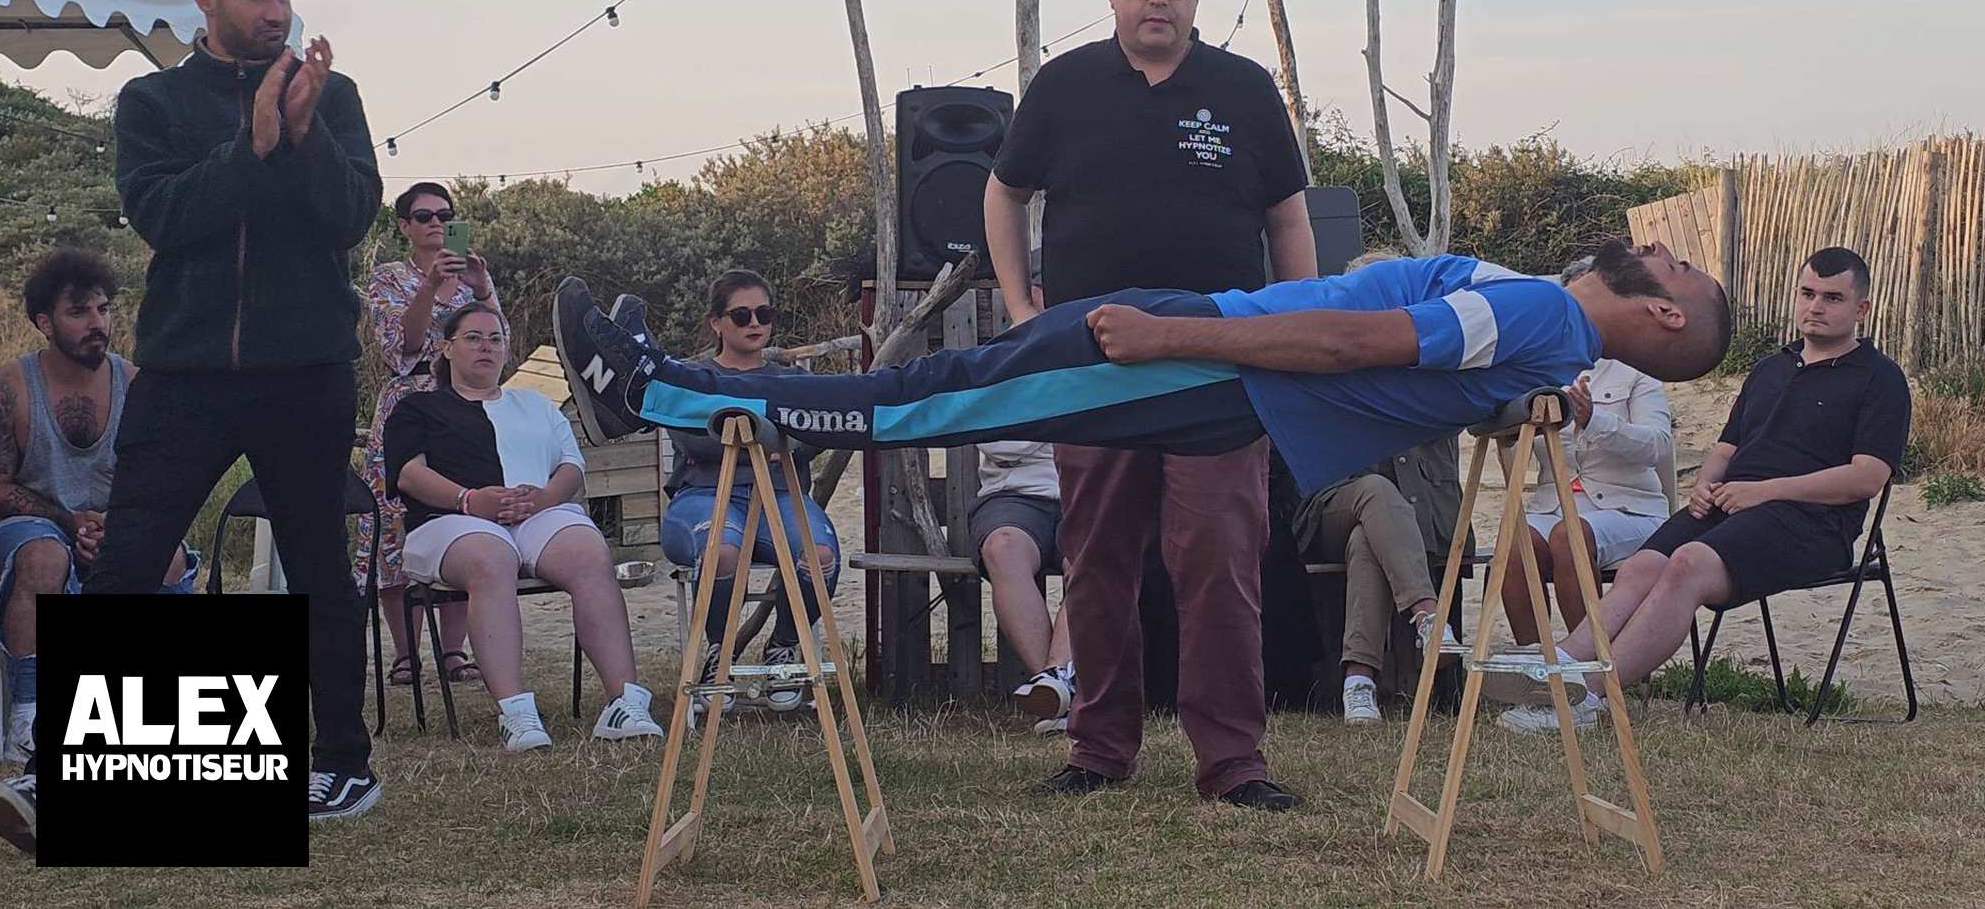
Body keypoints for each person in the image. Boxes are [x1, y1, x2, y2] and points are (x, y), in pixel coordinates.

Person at [555, 240, 1731, 735]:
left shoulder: (1540, 315)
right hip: (1213, 354)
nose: (1648, 248)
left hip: (1206, 370)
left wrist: (1176, 339)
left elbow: (1355, 343)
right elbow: (1438, 349)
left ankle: (651, 389)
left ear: (1664, 308)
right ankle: (669, 377)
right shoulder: (1545, 322)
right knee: (953, 379)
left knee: (941, 397)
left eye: (1671, 263)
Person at [980, 0, 1317, 810]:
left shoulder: (1246, 90)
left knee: (1219, 562)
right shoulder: (1063, 86)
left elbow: (1289, 219)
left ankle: (1234, 763)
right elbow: (1002, 192)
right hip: (1093, 367)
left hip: (1216, 368)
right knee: (1095, 558)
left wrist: (1288, 329)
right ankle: (1098, 747)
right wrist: (1021, 311)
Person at [89, 0, 383, 821]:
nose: (277, 12)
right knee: (130, 557)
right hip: (186, 373)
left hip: (307, 372)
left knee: (317, 567)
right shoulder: (152, 103)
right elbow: (165, 217)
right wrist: (250, 146)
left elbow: (349, 219)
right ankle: (104, 762)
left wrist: (301, 138)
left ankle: (342, 763)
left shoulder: (333, 97)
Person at [1486, 247, 1905, 732]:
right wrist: (1705, 485)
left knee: (1687, 564)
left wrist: (1765, 491)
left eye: (1833, 298)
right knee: (1644, 563)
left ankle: (1589, 700)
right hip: (1733, 507)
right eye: (1807, 293)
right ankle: (1559, 673)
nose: (1816, 306)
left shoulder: (1880, 378)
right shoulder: (1772, 368)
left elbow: (1868, 476)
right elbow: (1727, 449)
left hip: (1813, 523)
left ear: (1861, 308)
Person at [386, 304, 665, 752]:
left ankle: (624, 702)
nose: (486, 347)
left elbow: (571, 465)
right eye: (473, 338)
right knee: (490, 558)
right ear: (447, 347)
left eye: (495, 339)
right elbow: (408, 474)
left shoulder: (535, 405)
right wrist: (469, 499)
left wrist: (545, 499)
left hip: (538, 515)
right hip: (450, 520)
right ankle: (516, 712)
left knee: (590, 552)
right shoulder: (418, 409)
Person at [0, 251, 197, 763]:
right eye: (79, 313)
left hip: (119, 518)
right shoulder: (8, 388)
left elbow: (161, 476)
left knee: (165, 555)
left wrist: (119, 524)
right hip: (33, 523)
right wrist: (68, 520)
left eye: (103, 310)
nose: (97, 324)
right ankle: (30, 716)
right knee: (43, 556)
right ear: (45, 322)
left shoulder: (134, 383)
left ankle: (157, 708)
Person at [654, 271, 842, 712]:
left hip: (780, 495)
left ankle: (784, 649)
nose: (755, 323)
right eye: (741, 315)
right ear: (716, 322)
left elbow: (822, 430)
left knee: (820, 555)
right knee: (722, 551)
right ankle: (720, 653)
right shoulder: (691, 376)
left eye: (764, 313)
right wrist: (774, 442)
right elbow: (693, 441)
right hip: (703, 495)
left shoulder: (792, 378)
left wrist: (751, 443)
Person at [1498, 256, 1673, 670]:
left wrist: (1596, 420)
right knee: (1516, 543)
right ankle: (1536, 668)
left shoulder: (1637, 371)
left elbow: (1658, 447)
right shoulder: (1538, 368)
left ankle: (1589, 668)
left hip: (1626, 506)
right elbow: (1509, 447)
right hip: (1555, 503)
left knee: (1569, 537)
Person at [358, 181, 498, 687]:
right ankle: (404, 654)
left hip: (463, 406)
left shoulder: (470, 279)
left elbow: (495, 341)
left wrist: (481, 288)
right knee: (394, 525)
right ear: (404, 227)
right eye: (423, 216)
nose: (435, 223)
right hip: (408, 404)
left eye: (445, 214)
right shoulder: (388, 277)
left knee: (464, 513)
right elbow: (402, 348)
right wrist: (427, 288)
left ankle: (454, 651)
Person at [1294, 441, 1462, 725]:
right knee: (1376, 489)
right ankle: (1428, 614)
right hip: (1332, 500)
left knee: (1366, 539)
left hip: (1418, 507)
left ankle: (1358, 680)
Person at [975, 439, 1074, 734]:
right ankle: (1058, 687)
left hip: (1094, 488)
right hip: (1013, 494)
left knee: (1092, 556)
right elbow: (1001, 444)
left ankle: (1057, 686)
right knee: (1002, 549)